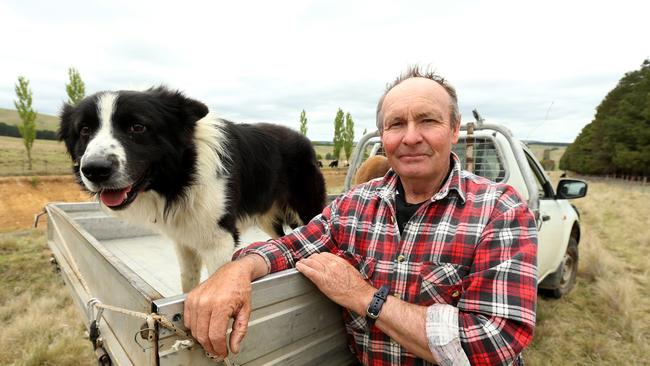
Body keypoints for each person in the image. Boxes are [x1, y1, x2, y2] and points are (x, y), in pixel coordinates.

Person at [184, 66, 538, 365]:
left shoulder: (499, 210)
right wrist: (237, 269)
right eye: (396, 124)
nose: (411, 137)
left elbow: (495, 343)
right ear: (383, 135)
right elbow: (293, 246)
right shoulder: (355, 205)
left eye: (428, 120)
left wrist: (364, 297)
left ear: (454, 127)